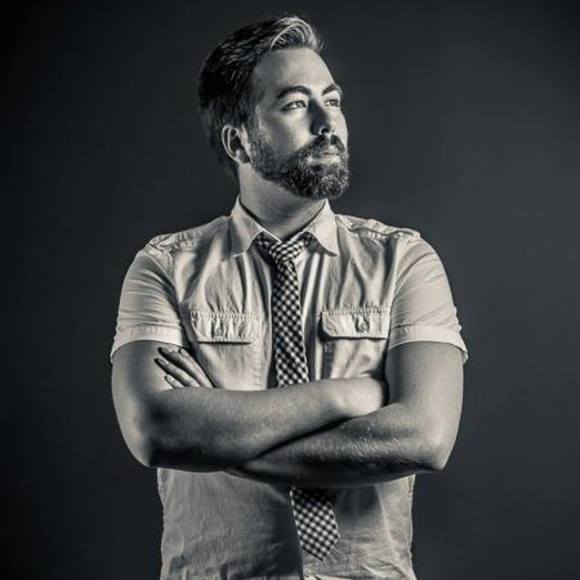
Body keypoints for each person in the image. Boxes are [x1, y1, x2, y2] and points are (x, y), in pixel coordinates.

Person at [110, 15, 468, 580]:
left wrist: (221, 439)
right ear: (239, 141)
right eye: (297, 105)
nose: (328, 123)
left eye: (333, 100)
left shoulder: (405, 261)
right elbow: (155, 429)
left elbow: (425, 437)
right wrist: (344, 395)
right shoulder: (165, 268)